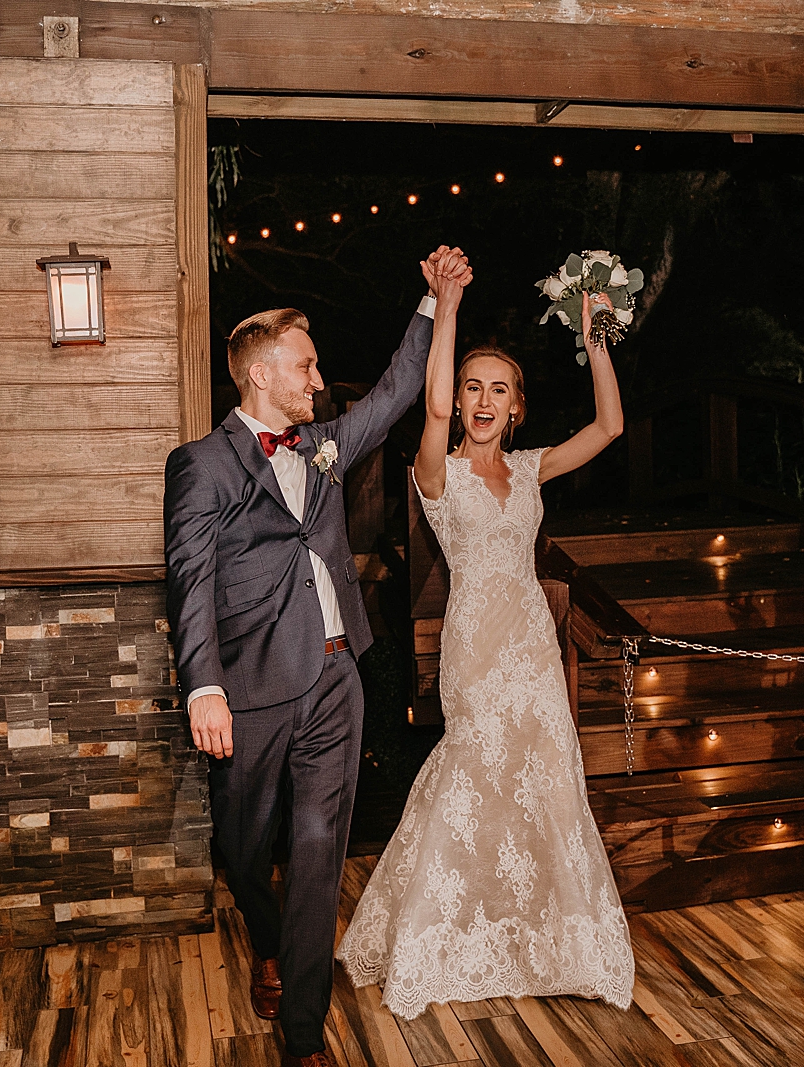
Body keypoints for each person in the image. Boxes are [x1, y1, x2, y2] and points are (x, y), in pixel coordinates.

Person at [163, 246, 471, 1067]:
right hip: (252, 688)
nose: (317, 374)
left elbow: (400, 389)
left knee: (316, 849)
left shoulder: (327, 443)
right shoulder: (201, 465)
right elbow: (189, 579)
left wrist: (434, 302)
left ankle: (302, 1034)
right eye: (305, 363)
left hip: (338, 676)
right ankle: (267, 942)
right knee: (240, 844)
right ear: (262, 372)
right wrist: (203, 686)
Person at [336, 279, 635, 1019]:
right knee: (471, 771)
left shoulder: (532, 468)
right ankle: (438, 936)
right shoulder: (437, 473)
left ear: (516, 406)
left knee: (549, 780)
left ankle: (548, 941)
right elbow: (432, 408)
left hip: (533, 644)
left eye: (497, 389)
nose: (481, 399)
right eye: (473, 386)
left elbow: (609, 425)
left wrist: (594, 334)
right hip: (475, 652)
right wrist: (448, 307)